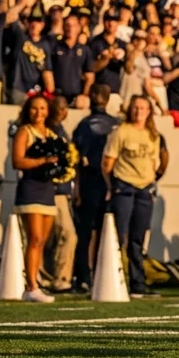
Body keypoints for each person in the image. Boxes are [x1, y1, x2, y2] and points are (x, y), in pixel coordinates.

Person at [102, 95, 163, 298]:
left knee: (138, 238)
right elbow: (108, 163)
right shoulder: (121, 132)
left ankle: (137, 283)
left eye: (143, 108)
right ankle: (111, 279)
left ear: (148, 112)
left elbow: (155, 162)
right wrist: (112, 186)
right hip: (124, 186)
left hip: (144, 188)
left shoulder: (153, 135)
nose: (139, 112)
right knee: (119, 236)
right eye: (135, 108)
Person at [11, 95, 60, 303]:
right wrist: (43, 161)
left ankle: (35, 280)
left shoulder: (51, 134)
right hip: (30, 189)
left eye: (42, 108)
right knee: (35, 238)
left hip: (47, 190)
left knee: (42, 241)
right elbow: (18, 161)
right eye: (33, 108)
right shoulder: (25, 132)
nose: (38, 112)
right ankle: (31, 285)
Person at [70, 83, 117, 291]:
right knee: (87, 232)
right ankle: (84, 275)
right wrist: (77, 188)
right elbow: (76, 160)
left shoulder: (114, 125)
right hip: (93, 182)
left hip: (103, 183)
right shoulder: (110, 125)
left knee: (100, 231)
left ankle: (95, 274)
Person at [43, 94, 77, 293]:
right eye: (58, 107)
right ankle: (59, 278)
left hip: (63, 191)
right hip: (52, 190)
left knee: (54, 237)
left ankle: (54, 276)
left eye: (64, 108)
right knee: (67, 234)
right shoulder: (50, 131)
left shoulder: (62, 130)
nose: (62, 112)